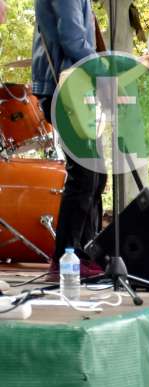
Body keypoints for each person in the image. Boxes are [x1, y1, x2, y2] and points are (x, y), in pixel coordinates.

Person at [32, 0, 107, 278]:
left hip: (72, 86)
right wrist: (108, 70)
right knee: (86, 175)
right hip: (64, 87)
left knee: (96, 176)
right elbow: (73, 39)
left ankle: (85, 254)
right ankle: (67, 258)